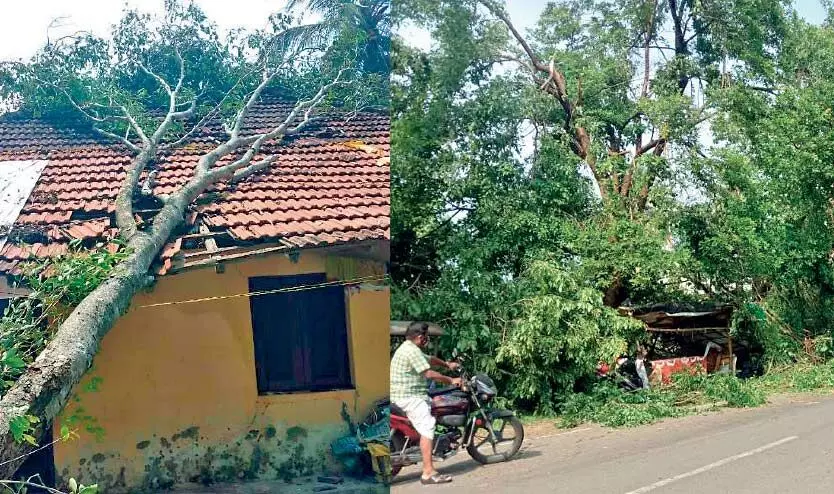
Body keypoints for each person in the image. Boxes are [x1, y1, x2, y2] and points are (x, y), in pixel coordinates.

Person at [390, 321, 461, 485]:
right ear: (420, 337)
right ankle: (428, 472)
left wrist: (447, 365)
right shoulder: (411, 351)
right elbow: (428, 373)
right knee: (427, 427)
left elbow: (430, 359)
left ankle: (430, 446)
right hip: (409, 397)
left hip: (410, 394)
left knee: (435, 405)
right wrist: (451, 380)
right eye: (426, 336)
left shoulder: (410, 348)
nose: (427, 339)